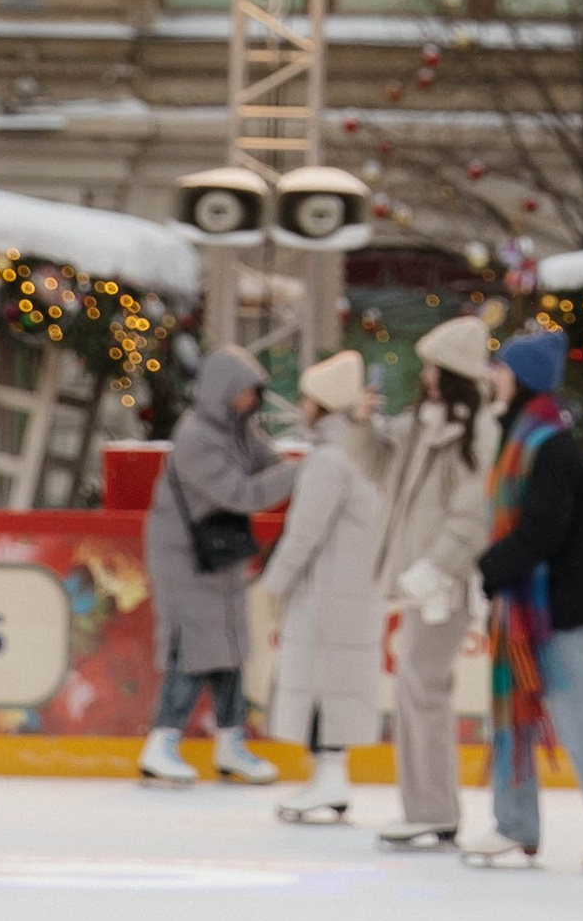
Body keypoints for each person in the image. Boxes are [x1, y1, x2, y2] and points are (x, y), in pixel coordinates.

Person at [463, 328, 583, 870]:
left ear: (520, 378)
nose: (493, 376)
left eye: (501, 368)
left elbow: (543, 530)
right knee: (514, 712)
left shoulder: (549, 446)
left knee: (579, 717)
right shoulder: (523, 436)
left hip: (562, 607)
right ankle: (514, 823)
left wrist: (491, 566)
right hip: (531, 605)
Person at [138, 345, 303, 787]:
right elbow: (243, 493)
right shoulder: (196, 438)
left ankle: (231, 742)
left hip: (219, 553)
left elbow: (268, 463)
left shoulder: (238, 430)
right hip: (185, 557)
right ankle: (162, 741)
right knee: (193, 649)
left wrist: (294, 465)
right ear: (222, 392)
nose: (251, 401)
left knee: (229, 647)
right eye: (245, 392)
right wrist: (302, 471)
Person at [369, 315, 499, 851]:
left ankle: (432, 810)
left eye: (431, 366)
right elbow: (375, 467)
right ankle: (428, 807)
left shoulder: (478, 430)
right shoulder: (425, 425)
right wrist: (358, 425)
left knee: (422, 689)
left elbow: (471, 514)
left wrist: (437, 567)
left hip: (446, 586)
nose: (423, 375)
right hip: (422, 581)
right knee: (418, 689)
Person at [256, 349, 388, 825]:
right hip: (351, 593)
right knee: (335, 686)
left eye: (307, 398)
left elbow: (303, 533)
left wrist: (273, 584)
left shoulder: (330, 461)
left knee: (321, 686)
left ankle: (329, 776)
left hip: (328, 596)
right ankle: (329, 774)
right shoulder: (363, 452)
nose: (301, 406)